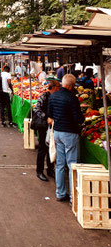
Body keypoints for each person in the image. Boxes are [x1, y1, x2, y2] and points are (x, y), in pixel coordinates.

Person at [47, 74, 84, 203]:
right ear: (71, 85)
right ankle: (73, 196)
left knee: (60, 165)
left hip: (57, 132)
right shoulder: (72, 98)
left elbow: (50, 115)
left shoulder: (53, 96)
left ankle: (60, 193)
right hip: (69, 133)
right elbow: (78, 118)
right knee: (72, 164)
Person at [33, 79, 61, 181]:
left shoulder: (56, 96)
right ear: (53, 87)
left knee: (51, 148)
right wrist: (46, 117)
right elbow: (37, 109)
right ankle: (39, 171)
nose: (59, 89)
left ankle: (50, 170)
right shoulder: (44, 96)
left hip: (52, 126)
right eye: (58, 87)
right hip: (43, 126)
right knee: (42, 148)